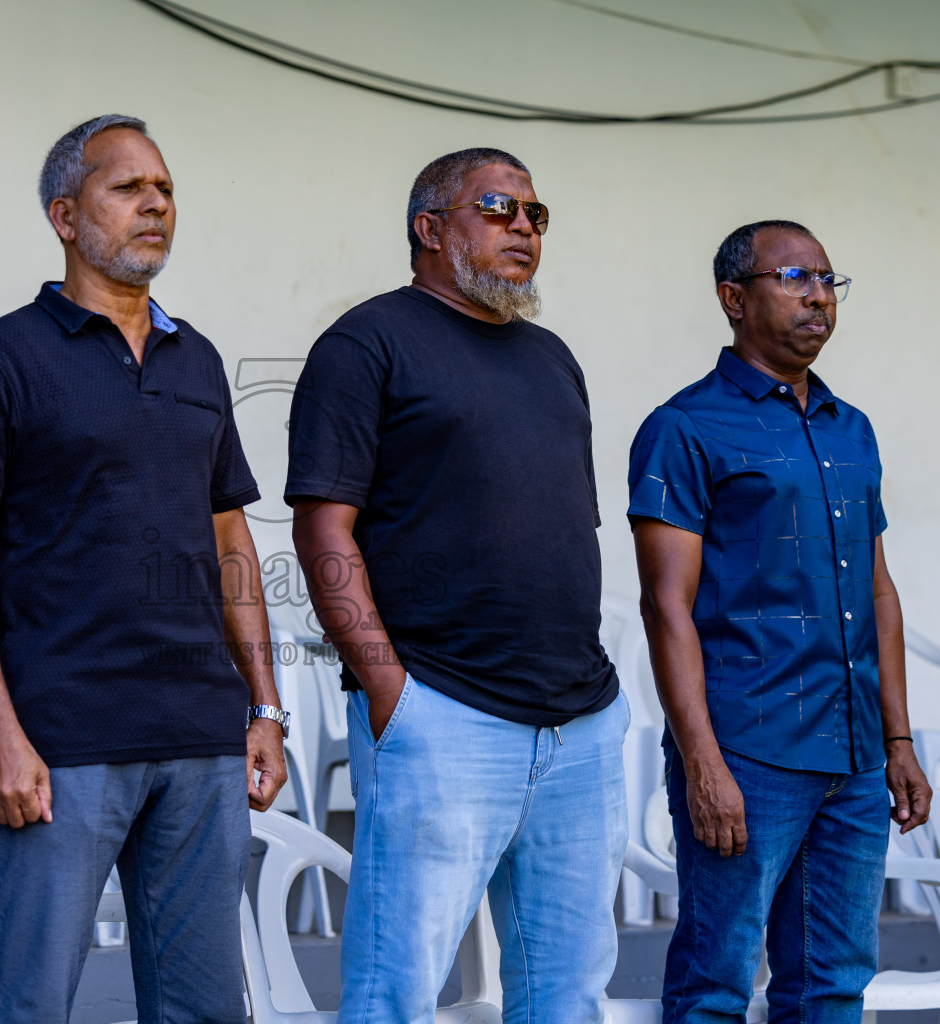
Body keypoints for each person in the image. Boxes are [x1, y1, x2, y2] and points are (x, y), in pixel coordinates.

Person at [0, 113, 288, 1024]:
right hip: (61, 742)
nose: (155, 203)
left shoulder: (196, 357)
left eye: (163, 189)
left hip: (202, 740)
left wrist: (266, 708)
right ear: (64, 214)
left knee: (206, 1012)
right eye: (128, 188)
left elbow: (231, 542)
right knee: (33, 1006)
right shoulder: (2, 357)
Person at [286, 148, 628, 1024]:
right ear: (429, 229)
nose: (523, 227)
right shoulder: (365, 344)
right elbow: (327, 531)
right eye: (498, 208)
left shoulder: (553, 358)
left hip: (577, 726)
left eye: (535, 215)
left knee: (567, 995)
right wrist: (386, 687)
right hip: (442, 715)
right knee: (395, 993)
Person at [627, 220, 933, 1022]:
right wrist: (702, 765)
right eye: (794, 277)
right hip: (748, 754)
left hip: (857, 755)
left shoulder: (850, 429)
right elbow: (666, 609)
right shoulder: (684, 428)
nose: (818, 297)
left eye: (829, 279)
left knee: (833, 984)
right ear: (733, 299)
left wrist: (897, 741)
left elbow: (878, 591)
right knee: (716, 984)